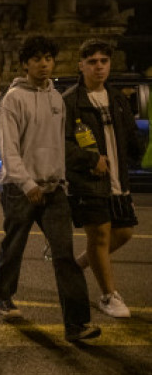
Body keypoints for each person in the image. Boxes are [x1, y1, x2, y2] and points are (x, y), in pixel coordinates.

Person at [0, 35, 99, 342]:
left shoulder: (56, 99)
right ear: (25, 63)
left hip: (54, 190)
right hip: (20, 190)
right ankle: (2, 295)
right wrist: (26, 184)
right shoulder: (13, 99)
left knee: (64, 254)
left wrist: (61, 179)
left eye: (48, 58)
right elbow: (9, 149)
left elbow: (57, 146)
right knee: (14, 247)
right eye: (36, 59)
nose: (43, 64)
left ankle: (77, 325)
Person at [63, 39, 144, 319]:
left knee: (124, 233)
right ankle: (109, 295)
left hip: (118, 180)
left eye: (104, 61)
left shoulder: (117, 97)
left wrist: (137, 152)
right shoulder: (71, 101)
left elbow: (130, 136)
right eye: (93, 61)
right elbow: (62, 144)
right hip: (88, 181)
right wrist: (90, 160)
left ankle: (80, 264)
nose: (99, 66)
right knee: (99, 236)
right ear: (81, 65)